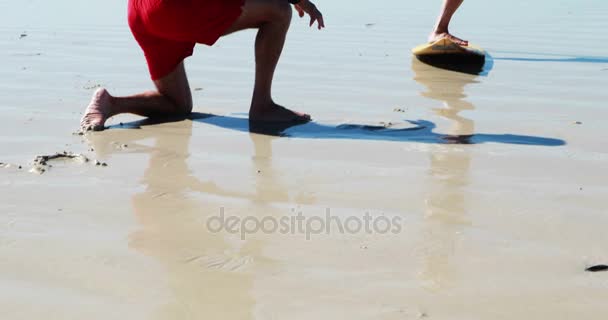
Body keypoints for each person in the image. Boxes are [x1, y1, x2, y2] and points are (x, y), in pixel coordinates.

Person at [80, 0, 325, 132]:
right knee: (279, 11)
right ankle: (262, 106)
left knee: (178, 105)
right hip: (173, 9)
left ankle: (111, 103)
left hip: (140, 12)